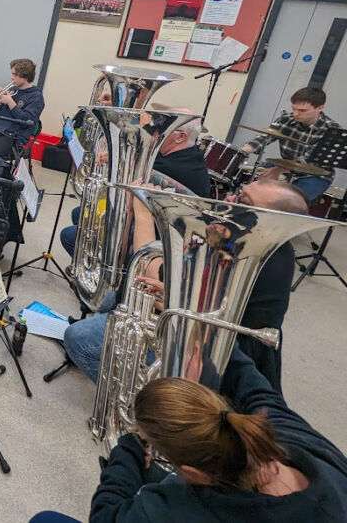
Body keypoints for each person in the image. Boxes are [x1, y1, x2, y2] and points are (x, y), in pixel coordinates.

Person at [63, 178, 307, 391]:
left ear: (271, 221)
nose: (231, 198)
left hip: (212, 358)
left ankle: (148, 412)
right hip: (200, 328)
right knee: (114, 300)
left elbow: (151, 267)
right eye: (239, 192)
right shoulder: (256, 241)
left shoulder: (251, 253)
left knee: (79, 338)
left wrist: (144, 214)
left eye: (244, 199)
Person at [86, 347, 347, 522]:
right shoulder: (302, 443)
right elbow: (259, 391)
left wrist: (132, 444)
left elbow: (105, 515)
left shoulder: (179, 510)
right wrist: (205, 340)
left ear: (193, 473)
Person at [59, 107, 210, 257]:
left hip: (157, 239)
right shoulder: (186, 154)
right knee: (79, 213)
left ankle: (107, 275)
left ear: (180, 137)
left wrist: (119, 160)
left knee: (68, 236)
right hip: (147, 223)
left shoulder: (178, 168)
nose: (155, 130)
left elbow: (135, 181)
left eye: (163, 127)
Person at [241, 87, 340, 202]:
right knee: (247, 184)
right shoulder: (286, 119)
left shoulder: (331, 130)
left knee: (286, 201)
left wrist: (278, 170)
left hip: (315, 176)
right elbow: (264, 137)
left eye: (302, 111)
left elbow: (307, 160)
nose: (296, 114)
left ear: (320, 108)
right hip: (284, 166)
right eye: (294, 109)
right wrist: (242, 151)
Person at [0, 58, 45, 159]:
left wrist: (10, 102)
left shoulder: (36, 97)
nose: (11, 77)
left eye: (14, 74)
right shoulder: (13, 89)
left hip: (13, 137)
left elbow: (26, 122)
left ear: (24, 76)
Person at [149, 109, 210, 197]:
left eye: (161, 127)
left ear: (180, 137)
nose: (154, 132)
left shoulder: (167, 167)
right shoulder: (194, 158)